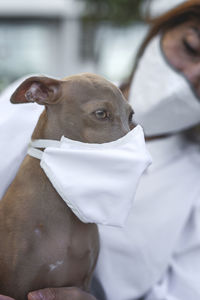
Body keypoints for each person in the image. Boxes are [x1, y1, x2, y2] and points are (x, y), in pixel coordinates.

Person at [1, 1, 200, 300]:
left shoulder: (193, 184)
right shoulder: (44, 103)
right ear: (157, 31)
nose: (192, 75)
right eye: (190, 46)